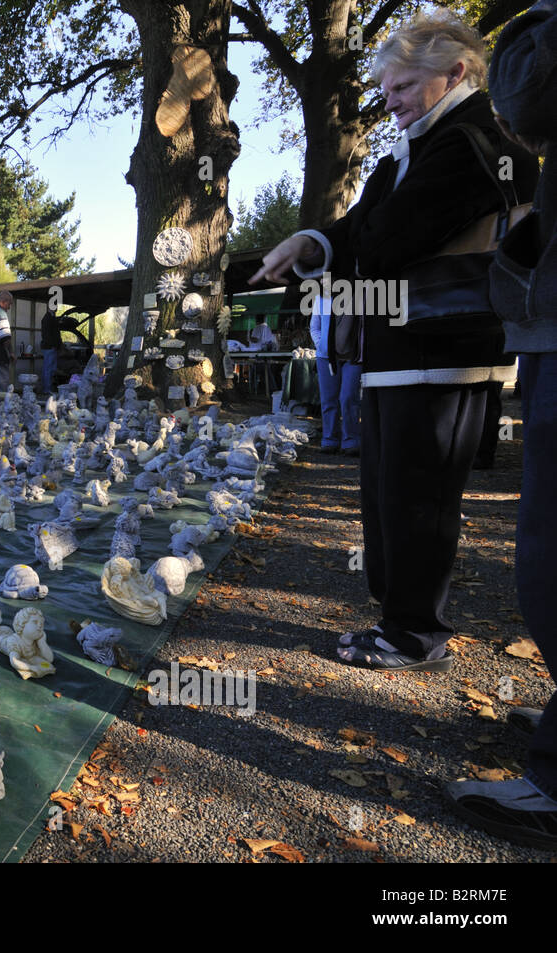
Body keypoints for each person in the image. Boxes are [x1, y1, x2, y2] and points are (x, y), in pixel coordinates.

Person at [251, 11, 538, 672]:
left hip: (444, 353)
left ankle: (415, 633)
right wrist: (312, 240)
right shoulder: (420, 149)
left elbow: (381, 242)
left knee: (420, 499)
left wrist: (350, 242)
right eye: (387, 89)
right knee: (388, 496)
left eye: (404, 85)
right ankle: (398, 619)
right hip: (400, 351)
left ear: (456, 72)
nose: (391, 100)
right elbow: (357, 230)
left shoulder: (473, 144)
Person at [445, 0, 557, 851]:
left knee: (548, 554)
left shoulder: (484, 124)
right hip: (537, 326)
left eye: (405, 85)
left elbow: (526, 92)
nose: (393, 102)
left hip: (480, 342)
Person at [309, 295, 362, 455]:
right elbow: (314, 327)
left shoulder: (359, 296)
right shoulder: (322, 298)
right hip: (326, 356)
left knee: (348, 397)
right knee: (328, 399)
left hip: (353, 356)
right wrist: (322, 345)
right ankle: (330, 439)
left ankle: (351, 440)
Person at [40, 308, 61, 394]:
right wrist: (54, 344)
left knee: (50, 368)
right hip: (49, 347)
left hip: (50, 347)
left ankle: (48, 388)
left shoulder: (51, 317)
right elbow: (47, 335)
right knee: (48, 369)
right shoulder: (47, 318)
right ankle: (46, 389)